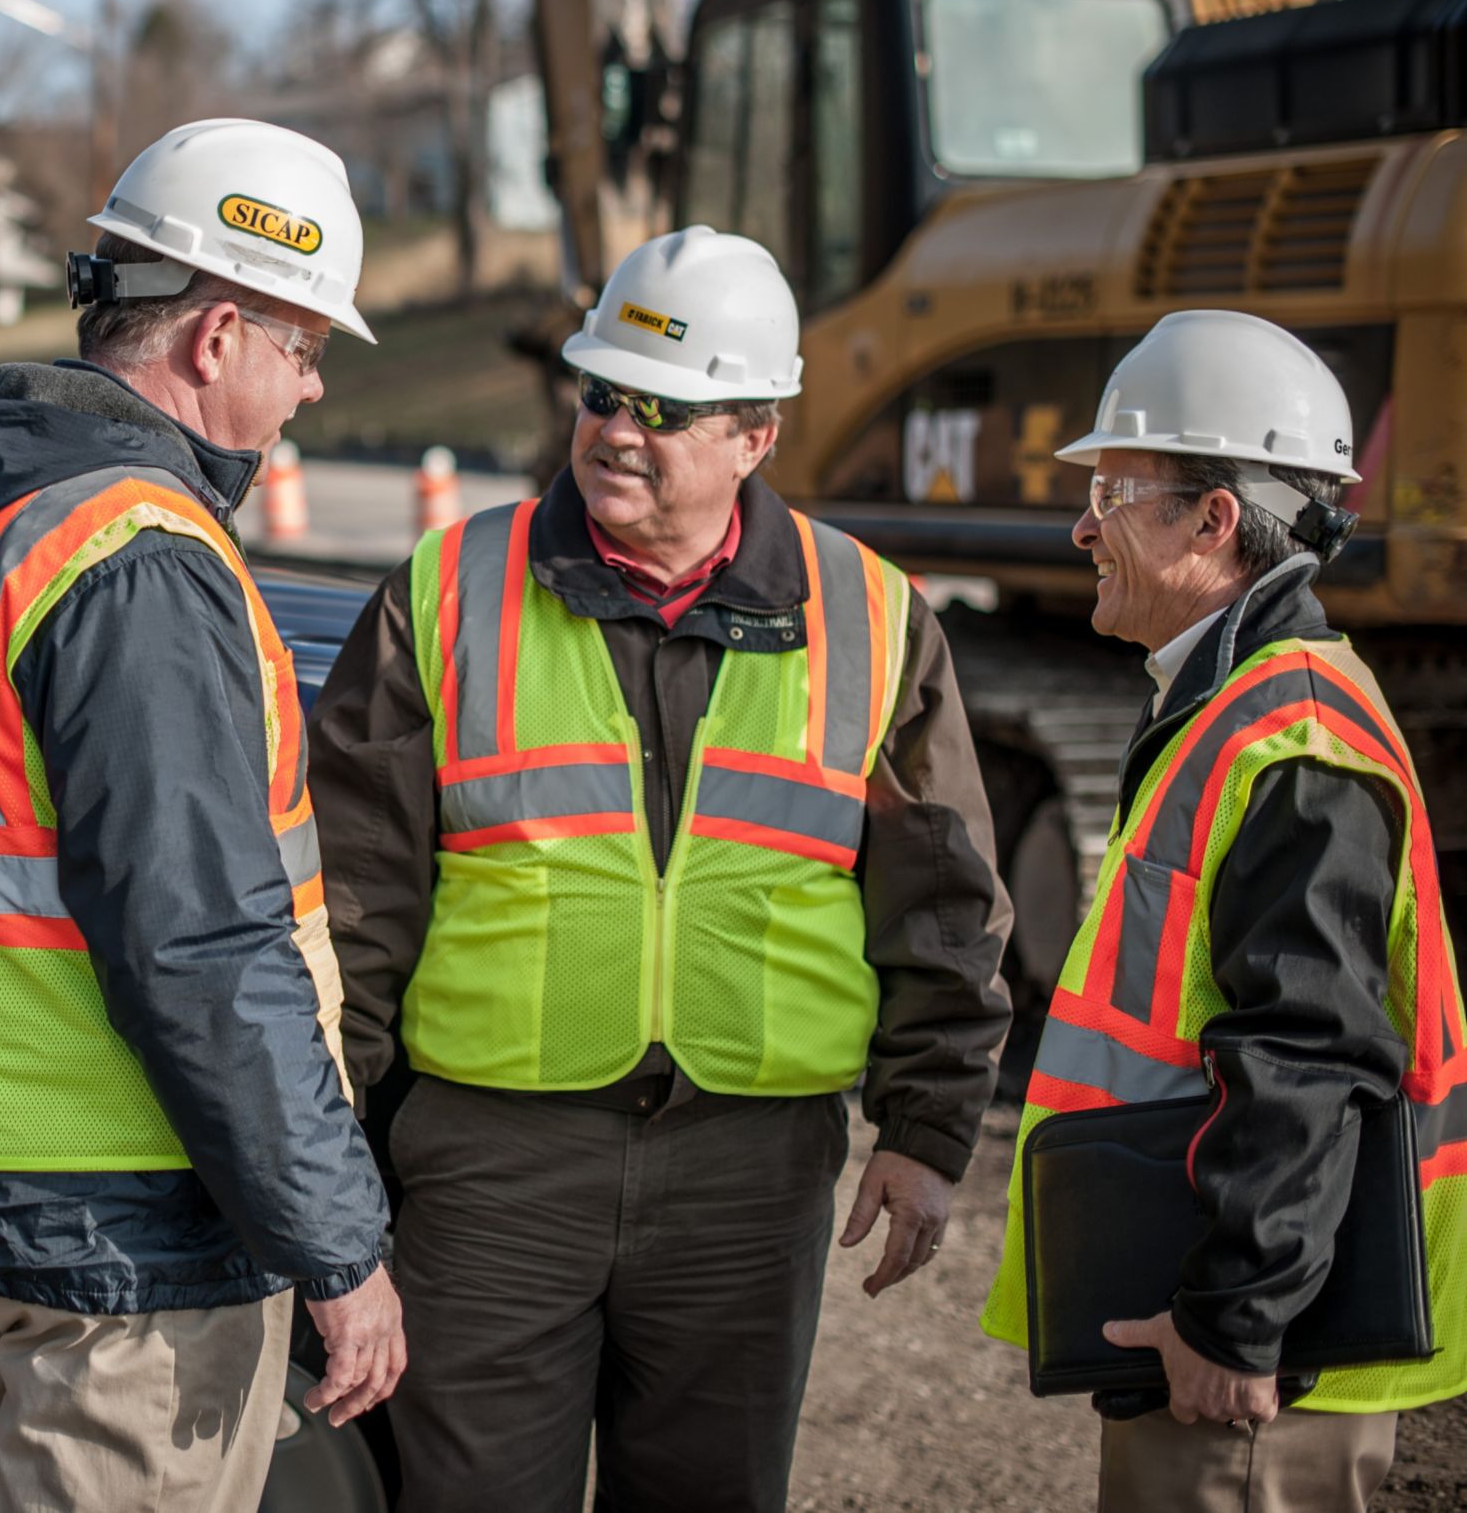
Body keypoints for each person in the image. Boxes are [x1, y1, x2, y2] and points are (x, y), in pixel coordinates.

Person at [310, 224, 1012, 1513]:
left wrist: (926, 1125)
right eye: (600, 392)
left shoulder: (865, 610)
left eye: (665, 408)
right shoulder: (449, 587)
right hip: (492, 1168)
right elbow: (351, 896)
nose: (615, 430)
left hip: (749, 1174)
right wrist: (323, 1151)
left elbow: (943, 897)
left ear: (756, 434)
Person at [0, 118, 402, 1513]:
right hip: (126, 1233)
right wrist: (336, 1242)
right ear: (217, 337)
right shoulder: (132, 553)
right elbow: (201, 945)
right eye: (303, 346)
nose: (312, 388)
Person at [979, 309, 1467, 1512]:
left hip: (1261, 1367)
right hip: (1249, 1320)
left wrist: (1236, 1319)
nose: (1082, 526)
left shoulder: (1285, 732)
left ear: (1211, 519)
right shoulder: (1240, 705)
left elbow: (1307, 1047)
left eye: (1114, 490)